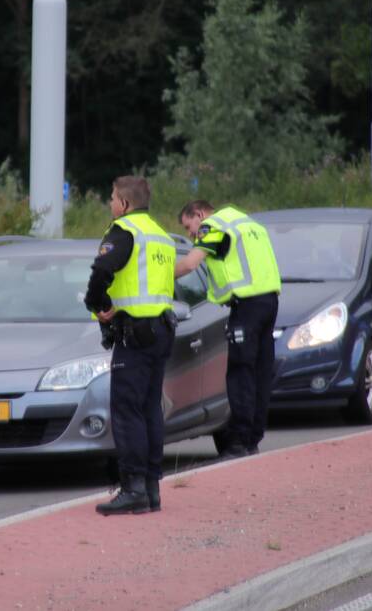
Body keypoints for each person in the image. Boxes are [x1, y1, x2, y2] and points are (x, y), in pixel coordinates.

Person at [84, 175, 177, 515]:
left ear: (124, 203)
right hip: (162, 330)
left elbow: (102, 269)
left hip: (135, 334)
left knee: (126, 411)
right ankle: (151, 489)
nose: (110, 204)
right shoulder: (162, 236)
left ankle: (133, 487)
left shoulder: (124, 231)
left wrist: (97, 304)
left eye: (112, 198)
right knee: (150, 408)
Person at [175, 200, 280, 459]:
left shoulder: (213, 226)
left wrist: (155, 278)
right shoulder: (249, 223)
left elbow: (190, 264)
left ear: (199, 214)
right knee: (260, 371)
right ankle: (254, 437)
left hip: (247, 305)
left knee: (240, 372)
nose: (191, 234)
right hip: (270, 302)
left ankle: (239, 443)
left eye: (189, 226)